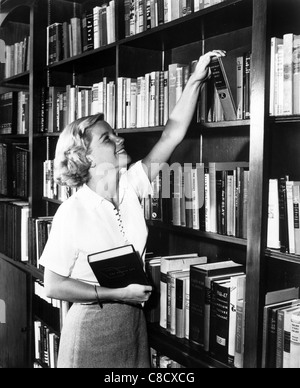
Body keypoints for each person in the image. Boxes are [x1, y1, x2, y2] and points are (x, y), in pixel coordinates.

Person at [40, 50, 226, 368]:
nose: (119, 138)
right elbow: (55, 284)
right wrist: (116, 294)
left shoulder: (130, 185)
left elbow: (172, 134)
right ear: (86, 156)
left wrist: (196, 79)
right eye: (107, 138)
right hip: (92, 329)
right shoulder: (72, 211)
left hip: (132, 322)